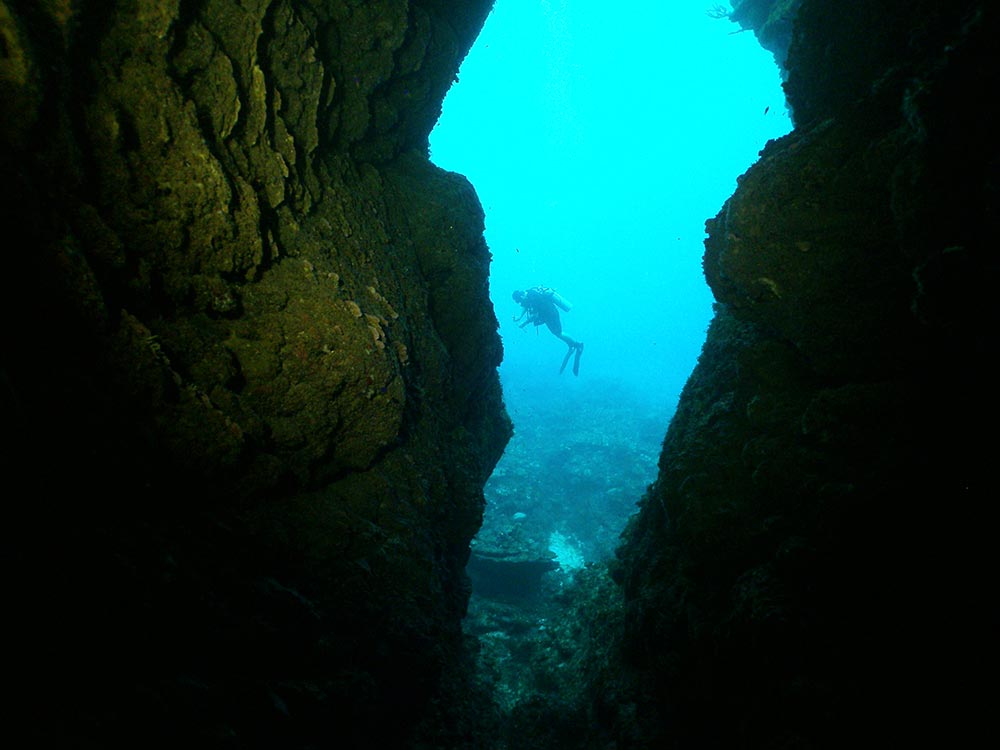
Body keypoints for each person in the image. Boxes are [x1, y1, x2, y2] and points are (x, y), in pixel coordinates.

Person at [512, 286, 585, 375]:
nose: (520, 303)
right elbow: (525, 306)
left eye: (519, 301)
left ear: (522, 297)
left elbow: (534, 315)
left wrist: (524, 323)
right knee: (557, 333)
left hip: (551, 315)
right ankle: (571, 344)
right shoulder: (528, 294)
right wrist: (519, 317)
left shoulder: (533, 298)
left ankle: (576, 344)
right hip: (547, 316)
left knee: (558, 333)